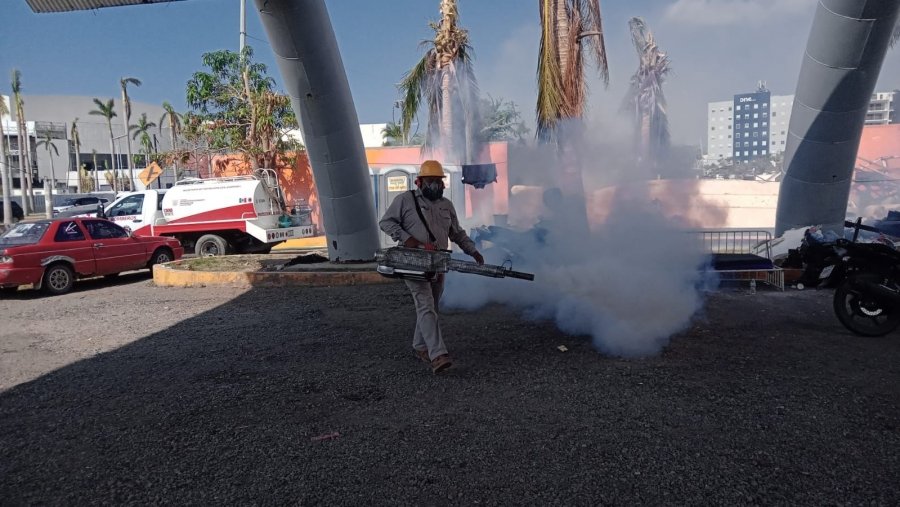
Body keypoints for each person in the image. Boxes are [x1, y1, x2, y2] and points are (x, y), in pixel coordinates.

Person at [379, 160, 484, 374]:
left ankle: (420, 346)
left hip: (438, 263)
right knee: (425, 305)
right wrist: (409, 240)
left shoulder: (447, 205)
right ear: (420, 182)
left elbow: (457, 233)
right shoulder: (405, 200)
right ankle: (438, 355)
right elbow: (386, 222)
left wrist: (472, 251)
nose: (436, 185)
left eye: (439, 181)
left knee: (431, 307)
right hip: (413, 262)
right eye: (431, 181)